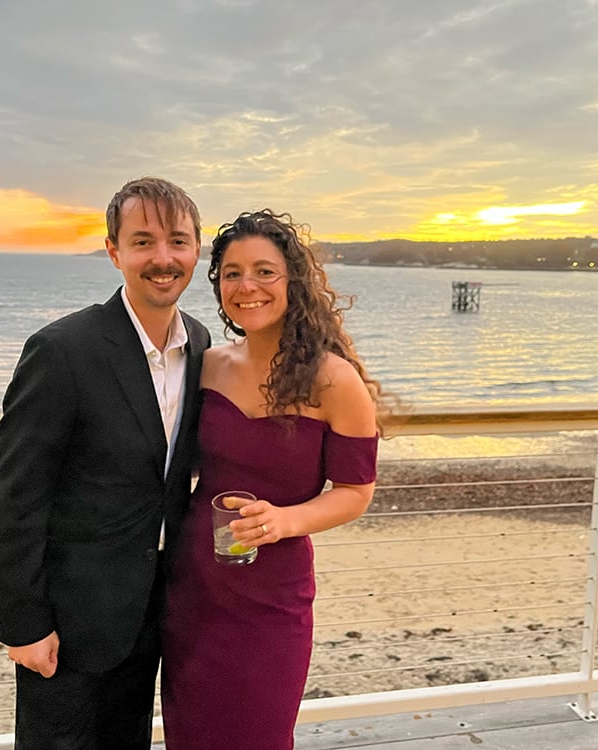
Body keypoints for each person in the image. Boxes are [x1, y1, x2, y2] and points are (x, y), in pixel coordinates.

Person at [0, 177, 210, 749]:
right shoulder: (62, 351)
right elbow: (15, 497)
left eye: (178, 241)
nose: (163, 259)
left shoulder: (203, 346)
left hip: (153, 611)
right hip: (71, 619)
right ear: (114, 251)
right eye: (143, 242)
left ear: (196, 250)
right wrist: (24, 625)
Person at [160, 209, 383, 749]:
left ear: (293, 282)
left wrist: (286, 520)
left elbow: (356, 492)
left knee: (259, 734)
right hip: (193, 586)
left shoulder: (334, 380)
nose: (247, 286)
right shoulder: (206, 364)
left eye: (264, 271)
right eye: (232, 273)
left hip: (272, 598)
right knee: (189, 735)